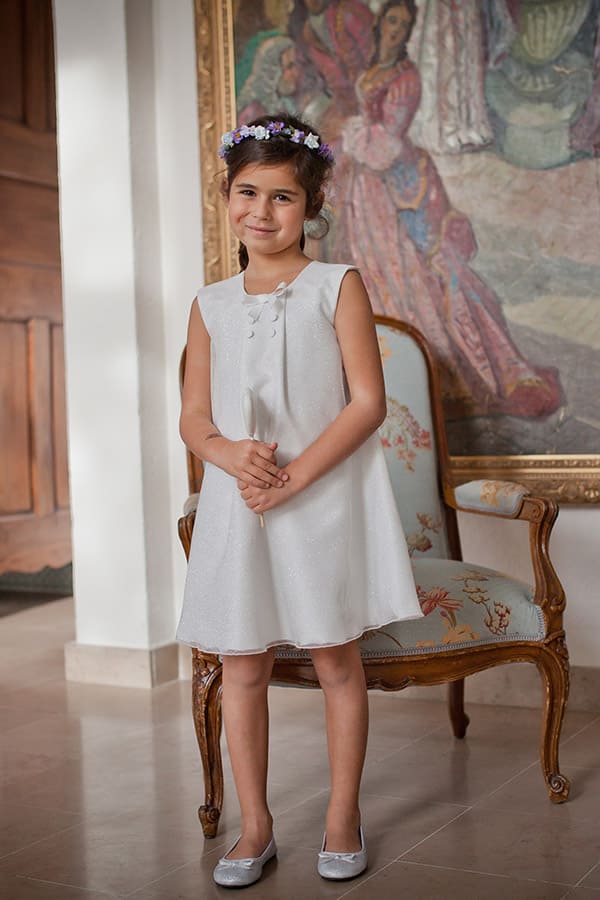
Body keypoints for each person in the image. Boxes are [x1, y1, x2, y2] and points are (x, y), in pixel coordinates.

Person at [176, 113, 422, 888]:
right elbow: (193, 416)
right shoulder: (209, 303)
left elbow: (365, 403)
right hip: (239, 504)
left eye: (283, 198)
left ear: (310, 207)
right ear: (225, 197)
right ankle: (255, 827)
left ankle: (342, 815)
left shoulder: (336, 284)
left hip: (315, 501)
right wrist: (227, 456)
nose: (262, 212)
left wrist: (296, 475)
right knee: (242, 666)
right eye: (247, 192)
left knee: (333, 659)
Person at [339, 0, 563, 419]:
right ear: (380, 24)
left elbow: (388, 139)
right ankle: (382, 372)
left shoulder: (406, 78)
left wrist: (354, 140)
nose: (394, 30)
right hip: (365, 180)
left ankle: (430, 367)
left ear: (409, 33)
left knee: (414, 264)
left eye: (403, 25)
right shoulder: (374, 70)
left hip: (394, 176)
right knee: (372, 266)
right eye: (390, 20)